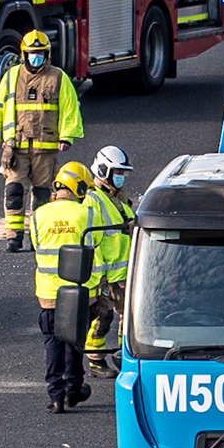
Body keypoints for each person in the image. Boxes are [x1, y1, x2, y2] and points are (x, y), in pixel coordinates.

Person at [0, 30, 83, 252]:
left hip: (45, 150)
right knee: (14, 193)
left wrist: (67, 137)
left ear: (47, 54)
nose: (36, 58)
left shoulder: (58, 77)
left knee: (42, 196)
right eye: (32, 54)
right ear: (24, 54)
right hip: (16, 149)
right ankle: (13, 237)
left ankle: (39, 237)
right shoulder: (11, 77)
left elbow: (70, 109)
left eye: (40, 54)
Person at [33, 162, 98, 413]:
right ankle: (74, 389)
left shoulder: (39, 214)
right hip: (81, 292)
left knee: (53, 343)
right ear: (79, 187)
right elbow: (98, 242)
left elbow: (37, 246)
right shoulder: (87, 213)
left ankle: (56, 396)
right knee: (74, 343)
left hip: (49, 294)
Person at [82, 145, 136, 377]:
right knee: (103, 317)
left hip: (126, 271)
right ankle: (96, 361)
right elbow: (93, 240)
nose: (121, 177)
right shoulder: (93, 200)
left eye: (123, 173)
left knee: (130, 318)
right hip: (109, 275)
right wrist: (100, 276)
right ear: (103, 171)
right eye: (118, 173)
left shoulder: (117, 199)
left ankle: (125, 357)